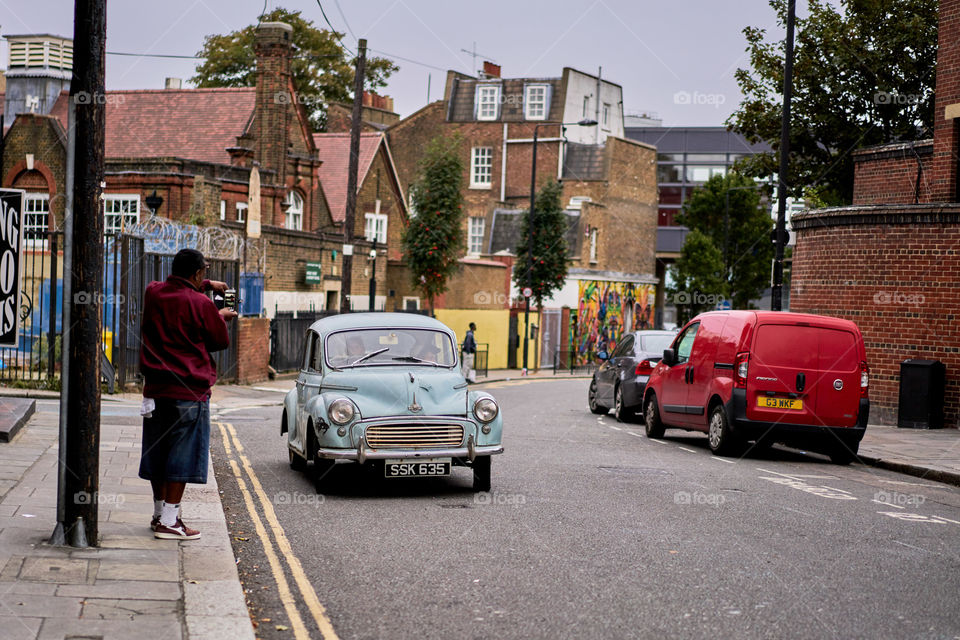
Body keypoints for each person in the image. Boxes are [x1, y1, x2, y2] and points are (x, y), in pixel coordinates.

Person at [139, 248, 237, 540]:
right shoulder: (202, 304)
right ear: (196, 273)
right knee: (180, 455)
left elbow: (176, 287)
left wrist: (206, 285)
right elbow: (218, 341)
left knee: (158, 453)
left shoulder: (153, 293)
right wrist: (220, 316)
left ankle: (159, 515)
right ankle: (170, 522)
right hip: (188, 391)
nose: (205, 275)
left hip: (155, 390)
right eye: (204, 271)